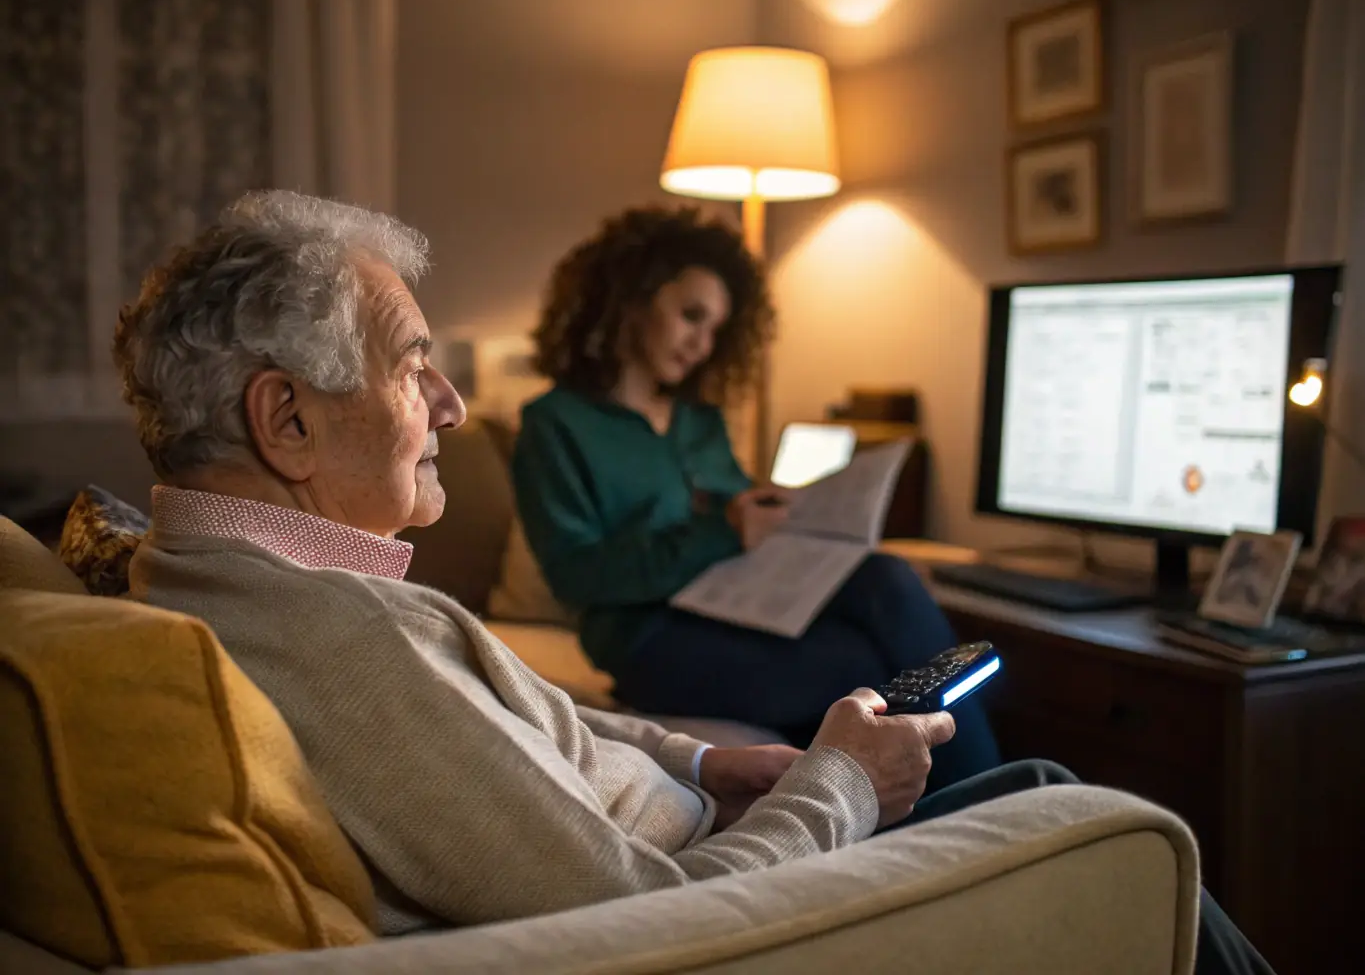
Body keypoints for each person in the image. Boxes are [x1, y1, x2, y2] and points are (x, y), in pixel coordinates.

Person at [119, 191, 1272, 973]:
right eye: (416, 365)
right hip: (728, 907)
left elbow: (535, 718)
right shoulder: (336, 643)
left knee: (898, 612)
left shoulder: (265, 581)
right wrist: (840, 786)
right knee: (1087, 811)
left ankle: (927, 746)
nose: (455, 409)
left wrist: (714, 763)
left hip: (716, 829)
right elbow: (647, 920)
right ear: (287, 420)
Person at [511, 205, 999, 792]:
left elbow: (739, 514)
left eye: (716, 329)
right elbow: (577, 576)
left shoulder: (699, 421)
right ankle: (986, 800)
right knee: (864, 669)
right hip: (653, 640)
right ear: (630, 298)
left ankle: (983, 798)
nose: (702, 342)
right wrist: (722, 532)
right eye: (691, 316)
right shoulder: (555, 424)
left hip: (744, 604)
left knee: (887, 577)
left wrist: (786, 521)